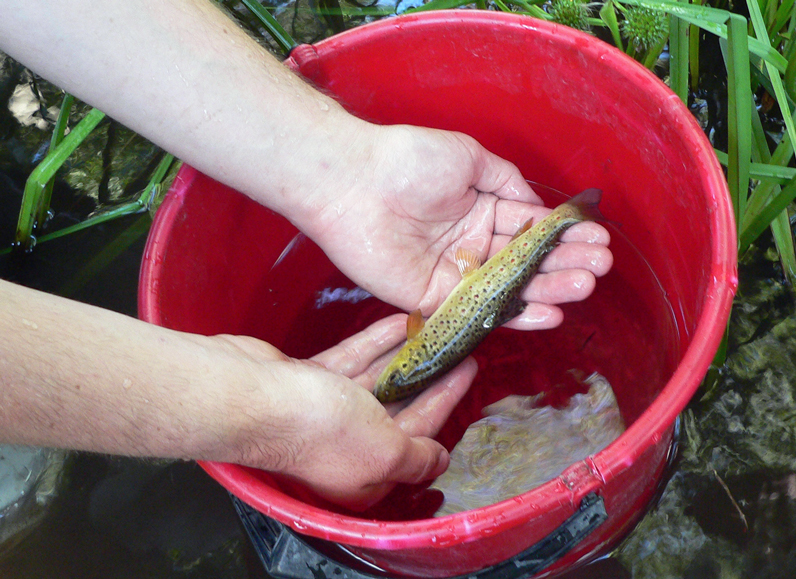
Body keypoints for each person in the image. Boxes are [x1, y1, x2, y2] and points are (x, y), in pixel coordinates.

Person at [0, 0, 612, 509]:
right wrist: (270, 423)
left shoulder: (416, 342)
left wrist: (347, 173)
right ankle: (557, 226)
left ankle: (556, 225)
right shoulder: (426, 335)